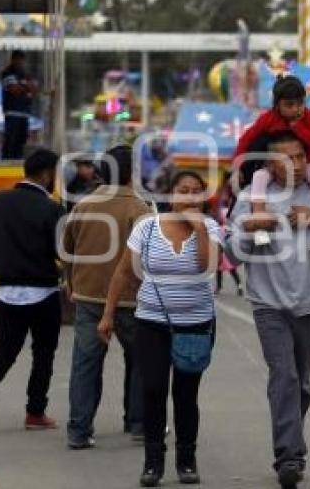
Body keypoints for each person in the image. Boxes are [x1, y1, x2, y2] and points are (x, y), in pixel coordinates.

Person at [225, 130, 310, 488]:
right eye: (285, 158)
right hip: (268, 303)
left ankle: (291, 436)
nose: (295, 165)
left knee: (302, 384)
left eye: (299, 156)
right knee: (284, 377)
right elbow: (231, 252)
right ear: (270, 163)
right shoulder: (253, 197)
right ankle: (289, 457)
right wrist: (251, 229)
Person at [99, 171, 222, 487]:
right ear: (171, 194)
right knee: (152, 390)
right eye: (183, 190)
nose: (189, 197)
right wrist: (108, 314)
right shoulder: (147, 227)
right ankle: (153, 462)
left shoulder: (209, 227)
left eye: (196, 192)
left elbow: (206, 268)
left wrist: (200, 231)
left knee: (186, 394)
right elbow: (124, 271)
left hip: (196, 323)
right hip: (152, 321)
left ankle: (186, 460)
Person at [62, 145, 152, 449]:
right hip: (131, 299)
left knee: (86, 363)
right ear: (130, 173)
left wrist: (70, 283)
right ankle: (138, 423)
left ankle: (79, 429)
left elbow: (68, 248)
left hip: (88, 295)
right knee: (141, 361)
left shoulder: (84, 204)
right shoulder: (140, 209)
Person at [0, 148, 65, 431]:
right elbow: (63, 252)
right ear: (47, 174)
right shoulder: (52, 208)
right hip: (44, 292)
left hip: (8, 291)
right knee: (43, 352)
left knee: (7, 346)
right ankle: (35, 413)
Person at [233, 75, 310, 251]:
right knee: (259, 177)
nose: (296, 109)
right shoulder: (267, 118)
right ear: (277, 104)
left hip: (307, 165)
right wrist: (238, 167)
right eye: (289, 105)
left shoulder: (309, 117)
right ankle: (259, 223)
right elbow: (246, 140)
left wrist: (297, 126)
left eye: (300, 104)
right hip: (274, 166)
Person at [1, 50, 37, 159]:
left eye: (22, 60)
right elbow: (13, 89)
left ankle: (18, 160)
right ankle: (6, 162)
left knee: (21, 140)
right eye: (17, 60)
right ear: (12, 60)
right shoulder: (7, 72)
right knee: (10, 140)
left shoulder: (26, 73)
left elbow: (34, 89)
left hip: (24, 113)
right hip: (12, 112)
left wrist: (22, 86)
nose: (20, 63)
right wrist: (26, 87)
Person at [211, 172, 243, 296]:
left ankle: (239, 285)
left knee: (229, 265)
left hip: (228, 232)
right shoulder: (221, 195)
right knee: (219, 265)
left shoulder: (236, 196)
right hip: (220, 232)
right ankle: (218, 287)